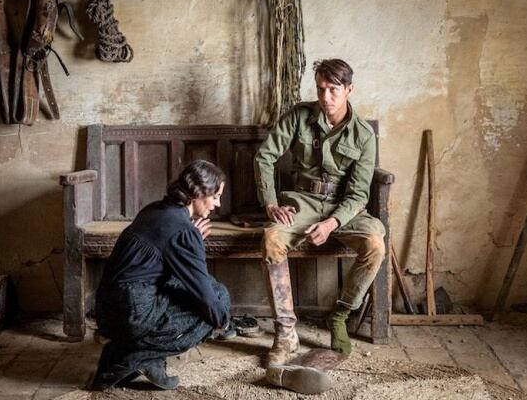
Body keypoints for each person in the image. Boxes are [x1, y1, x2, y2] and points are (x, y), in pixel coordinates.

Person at [254, 58, 386, 367]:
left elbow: (357, 194)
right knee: (272, 238)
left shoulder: (363, 135)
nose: (325, 97)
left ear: (349, 89)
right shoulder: (299, 117)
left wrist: (332, 222)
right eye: (320, 89)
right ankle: (286, 333)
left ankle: (339, 315)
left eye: (333, 90)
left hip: (345, 209)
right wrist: (270, 202)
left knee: (375, 245)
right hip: (303, 203)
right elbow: (264, 156)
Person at [90, 160, 232, 390]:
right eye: (215, 196)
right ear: (198, 192)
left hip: (108, 309)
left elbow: (165, 254)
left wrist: (192, 240)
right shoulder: (183, 231)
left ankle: (148, 360)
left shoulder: (156, 209)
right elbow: (203, 292)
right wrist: (223, 322)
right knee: (218, 299)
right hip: (131, 314)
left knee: (197, 290)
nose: (217, 204)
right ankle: (131, 356)